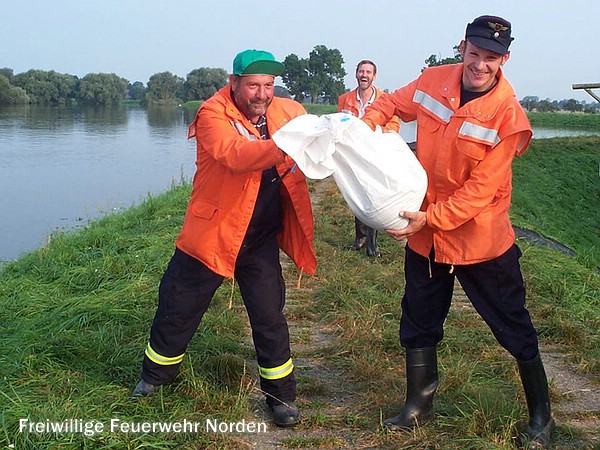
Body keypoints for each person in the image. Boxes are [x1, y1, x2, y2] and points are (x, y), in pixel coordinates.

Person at [361, 16, 554, 448]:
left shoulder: (509, 115)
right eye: (474, 53)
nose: (479, 64)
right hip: (426, 237)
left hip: (480, 239)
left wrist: (429, 218)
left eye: (490, 57)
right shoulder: (434, 80)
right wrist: (366, 128)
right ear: (462, 48)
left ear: (504, 59)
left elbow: (481, 192)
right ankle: (418, 405)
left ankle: (542, 416)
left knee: (512, 324)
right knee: (418, 318)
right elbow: (391, 103)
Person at [131, 49, 317, 428]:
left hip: (259, 238)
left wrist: (338, 128)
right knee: (178, 307)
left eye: (268, 85)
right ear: (234, 84)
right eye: (252, 86)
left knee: (269, 317)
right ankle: (153, 377)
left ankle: (280, 397)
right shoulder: (212, 114)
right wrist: (291, 145)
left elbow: (317, 128)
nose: (261, 94)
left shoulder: (288, 110)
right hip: (212, 233)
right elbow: (236, 155)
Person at [337, 60, 400, 257]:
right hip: (354, 154)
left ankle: (373, 245)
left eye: (368, 72)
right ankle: (360, 239)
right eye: (361, 71)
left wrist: (378, 135)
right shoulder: (344, 99)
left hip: (375, 153)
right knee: (356, 194)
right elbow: (339, 123)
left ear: (374, 76)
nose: (364, 75)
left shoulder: (386, 99)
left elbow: (394, 124)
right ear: (356, 74)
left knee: (372, 195)